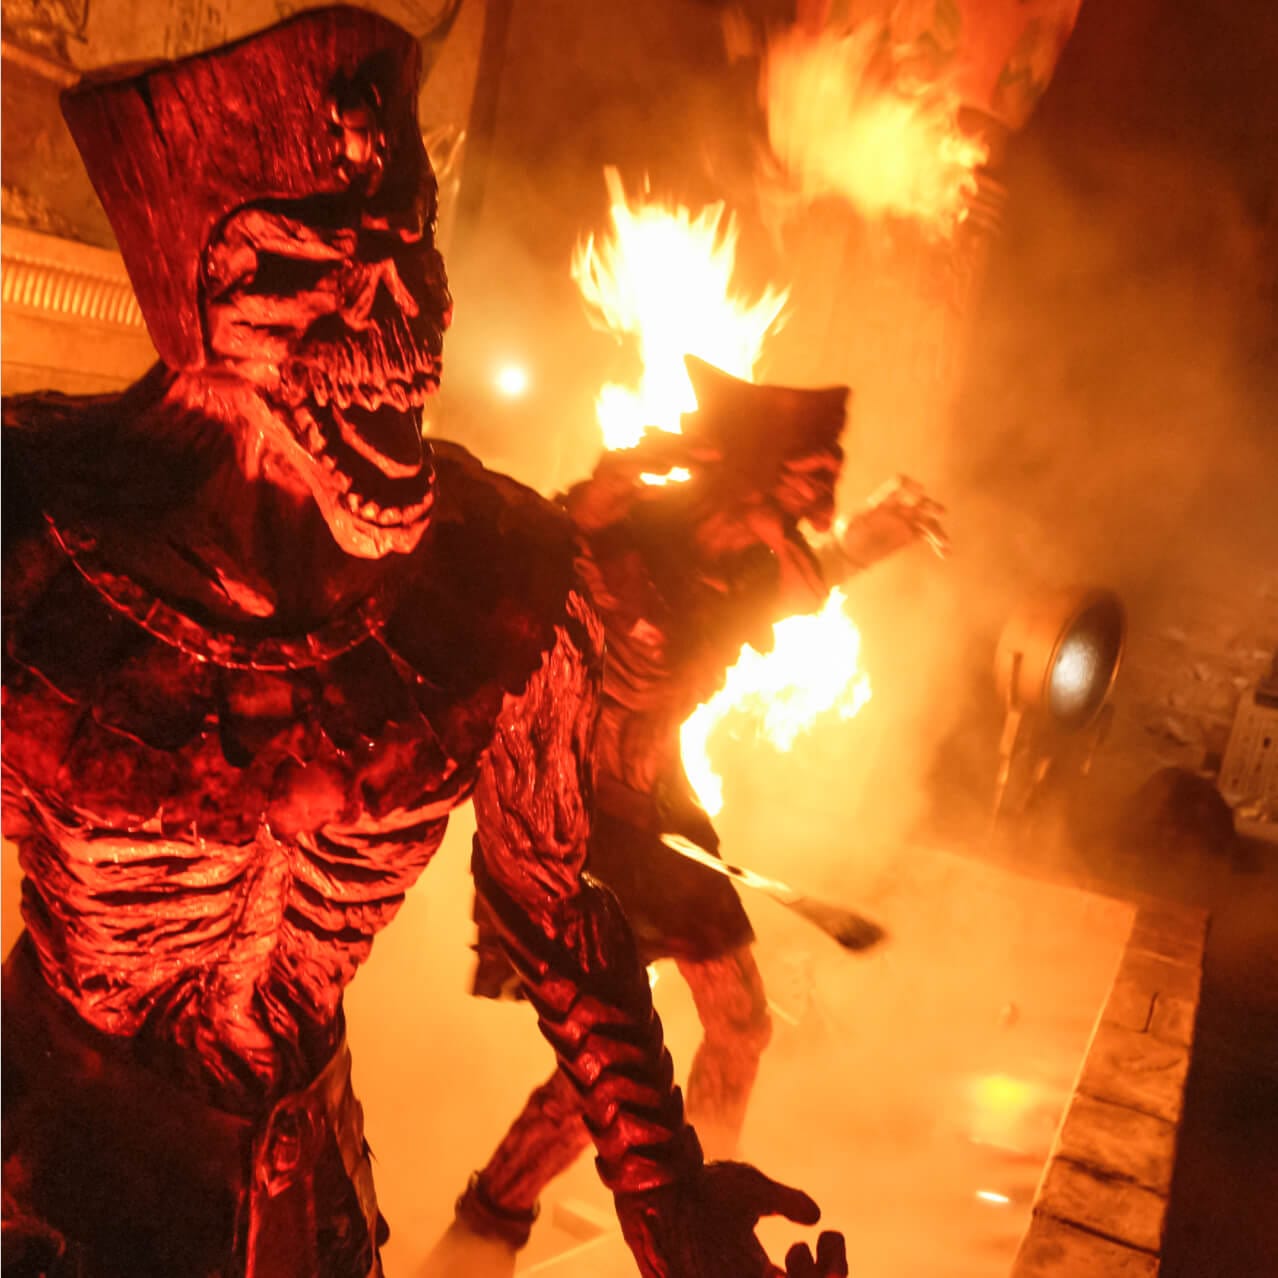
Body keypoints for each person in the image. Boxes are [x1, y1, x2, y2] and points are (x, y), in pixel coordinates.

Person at [0, 10, 845, 1277]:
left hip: (313, 1200)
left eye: (415, 249)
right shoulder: (34, 553)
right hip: (50, 1194)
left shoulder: (499, 576)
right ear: (190, 293)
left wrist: (665, 1195)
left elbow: (553, 914)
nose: (407, 322)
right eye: (325, 263)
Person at [439, 356, 945, 1267]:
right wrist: (608, 486)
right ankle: (490, 1223)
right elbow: (554, 543)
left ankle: (702, 1199)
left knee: (738, 1026)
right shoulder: (632, 533)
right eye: (810, 472)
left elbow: (805, 579)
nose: (822, 491)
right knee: (603, 1060)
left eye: (829, 474)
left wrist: (871, 537)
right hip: (579, 829)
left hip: (666, 824)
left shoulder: (747, 568)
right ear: (752, 470)